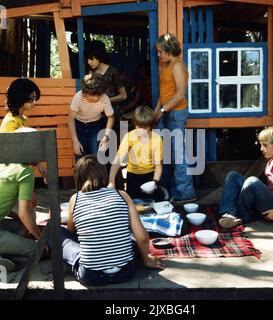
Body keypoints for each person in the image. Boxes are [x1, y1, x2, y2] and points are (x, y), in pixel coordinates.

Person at [61, 155, 164, 286]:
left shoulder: (75, 199)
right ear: (103, 174)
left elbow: (71, 232)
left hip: (91, 276)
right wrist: (147, 260)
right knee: (132, 237)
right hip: (126, 272)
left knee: (59, 232)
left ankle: (47, 251)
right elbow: (142, 237)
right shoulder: (122, 195)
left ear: (78, 178)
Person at [218, 125, 273, 228]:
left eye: (264, 145)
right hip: (266, 204)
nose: (261, 148)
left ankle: (242, 215)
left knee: (252, 181)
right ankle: (228, 214)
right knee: (233, 176)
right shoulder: (270, 163)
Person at [154, 33, 196, 204]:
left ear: (169, 50)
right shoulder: (165, 65)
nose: (158, 55)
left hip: (176, 114)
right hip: (165, 113)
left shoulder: (178, 66)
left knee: (179, 155)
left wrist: (163, 109)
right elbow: (163, 93)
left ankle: (185, 194)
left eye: (160, 51)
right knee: (165, 153)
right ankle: (167, 191)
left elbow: (180, 94)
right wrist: (157, 111)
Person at [0, 128, 43, 272]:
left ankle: (8, 255)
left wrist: (17, 217)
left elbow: (7, 206)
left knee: (23, 228)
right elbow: (24, 214)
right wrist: (41, 239)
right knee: (40, 251)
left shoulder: (4, 163)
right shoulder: (25, 171)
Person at [108, 106, 163, 199]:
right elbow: (117, 162)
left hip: (150, 176)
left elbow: (158, 165)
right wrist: (111, 181)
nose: (141, 131)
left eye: (145, 128)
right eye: (139, 127)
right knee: (133, 205)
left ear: (151, 126)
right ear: (134, 124)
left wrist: (155, 182)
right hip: (132, 176)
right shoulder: (128, 137)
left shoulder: (157, 139)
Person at [0, 78, 47, 182]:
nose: (35, 102)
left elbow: (26, 148)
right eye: (32, 98)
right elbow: (13, 154)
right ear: (21, 97)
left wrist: (40, 167)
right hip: (11, 177)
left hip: (21, 173)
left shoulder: (22, 119)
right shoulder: (11, 123)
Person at [68, 73, 115, 159]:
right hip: (79, 127)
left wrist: (106, 137)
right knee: (80, 156)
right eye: (92, 94)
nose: (96, 98)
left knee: (97, 156)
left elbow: (111, 117)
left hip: (95, 127)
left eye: (99, 94)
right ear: (85, 92)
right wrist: (75, 141)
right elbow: (70, 119)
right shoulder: (78, 97)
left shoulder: (104, 98)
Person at [84, 41, 127, 120]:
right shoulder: (91, 73)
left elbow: (124, 96)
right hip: (99, 117)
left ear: (99, 56)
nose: (89, 62)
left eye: (91, 59)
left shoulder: (113, 71)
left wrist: (105, 100)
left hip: (115, 115)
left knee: (122, 131)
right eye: (87, 59)